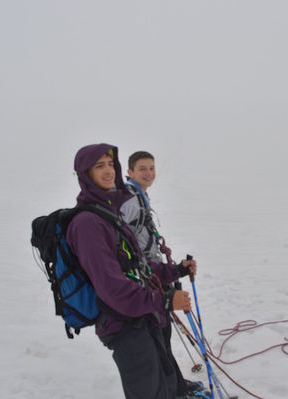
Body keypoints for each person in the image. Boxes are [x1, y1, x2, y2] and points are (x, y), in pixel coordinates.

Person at [66, 143, 197, 399]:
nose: (107, 171)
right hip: (122, 323)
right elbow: (111, 287)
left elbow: (139, 267)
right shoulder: (87, 224)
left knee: (166, 382)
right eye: (98, 166)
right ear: (85, 173)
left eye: (109, 164)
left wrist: (176, 271)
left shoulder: (108, 213)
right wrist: (166, 300)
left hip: (142, 315)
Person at [121, 151, 206, 399]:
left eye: (151, 168)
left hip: (151, 274)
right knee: (159, 338)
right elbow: (120, 238)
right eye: (142, 169)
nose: (148, 173)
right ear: (130, 172)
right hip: (143, 278)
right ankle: (172, 390)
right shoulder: (129, 200)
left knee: (164, 335)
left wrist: (173, 269)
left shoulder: (139, 196)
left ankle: (176, 386)